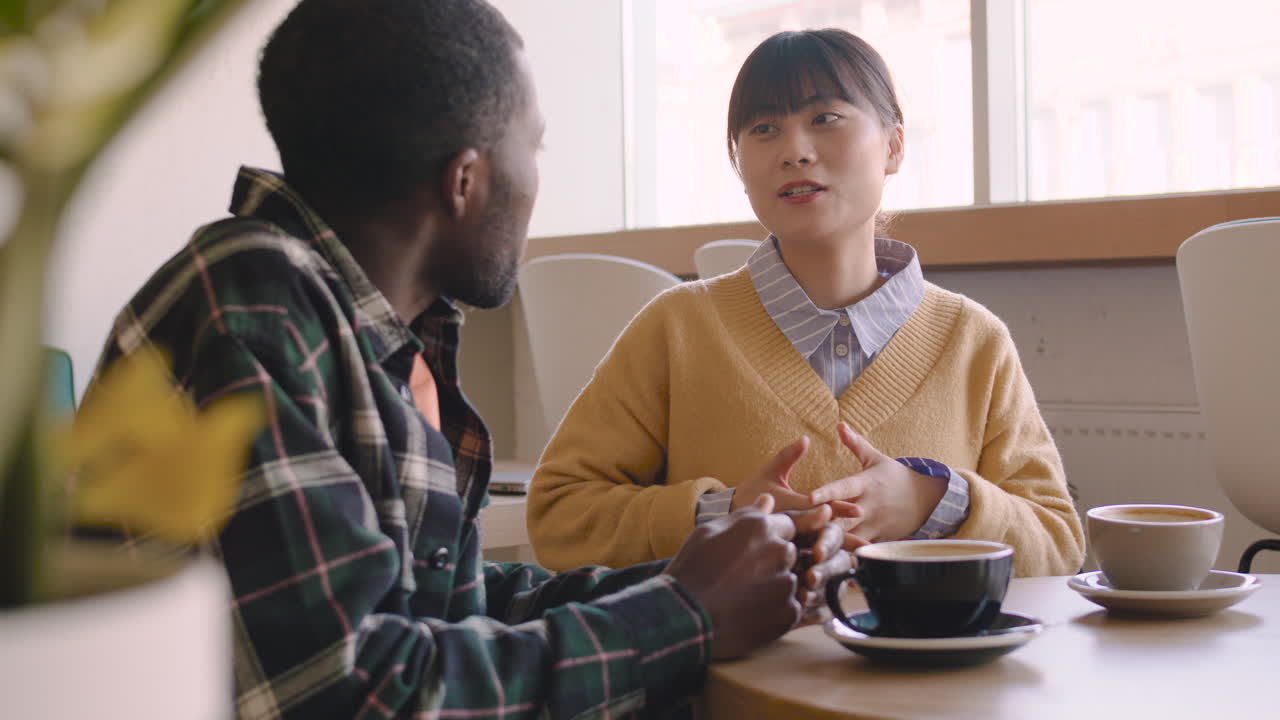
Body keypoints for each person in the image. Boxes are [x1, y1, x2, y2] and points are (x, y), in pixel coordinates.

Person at [84, 2, 851, 717]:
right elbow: (357, 693)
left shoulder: (362, 330)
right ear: (465, 178)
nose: (538, 180)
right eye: (535, 145)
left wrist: (704, 579)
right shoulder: (248, 308)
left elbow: (449, 611)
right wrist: (688, 613)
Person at [527, 28, 1085, 578]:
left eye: (825, 119)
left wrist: (934, 502)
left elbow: (1058, 543)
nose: (794, 151)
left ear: (893, 147)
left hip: (929, 667)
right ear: (738, 162)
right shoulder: (676, 328)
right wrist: (719, 516)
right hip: (731, 666)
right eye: (764, 128)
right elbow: (559, 513)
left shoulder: (974, 340)